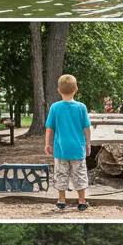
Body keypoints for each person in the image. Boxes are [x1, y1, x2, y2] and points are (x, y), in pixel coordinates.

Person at [45, 74, 91, 214]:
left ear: (58, 90)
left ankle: (61, 200)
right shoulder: (81, 107)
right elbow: (86, 128)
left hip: (61, 149)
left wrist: (47, 144)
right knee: (79, 174)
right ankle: (81, 201)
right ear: (76, 89)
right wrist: (88, 144)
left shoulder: (55, 107)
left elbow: (49, 128)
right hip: (77, 148)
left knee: (61, 174)